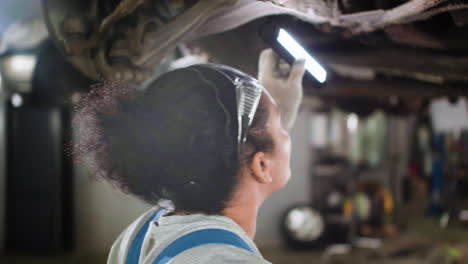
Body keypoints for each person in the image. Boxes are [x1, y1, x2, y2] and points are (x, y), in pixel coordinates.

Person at [72, 49, 306, 263]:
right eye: (281, 129)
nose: (287, 134)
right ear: (262, 165)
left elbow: (215, 151)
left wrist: (269, 118)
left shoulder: (140, 234)